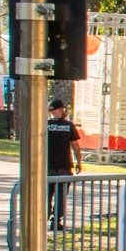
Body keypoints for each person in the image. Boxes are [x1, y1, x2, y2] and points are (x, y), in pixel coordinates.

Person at [46, 97, 83, 228]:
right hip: (65, 165)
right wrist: (79, 161)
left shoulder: (46, 125)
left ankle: (45, 215)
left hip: (48, 164)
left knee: (47, 193)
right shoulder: (68, 126)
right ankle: (56, 221)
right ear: (61, 109)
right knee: (61, 195)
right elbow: (75, 145)